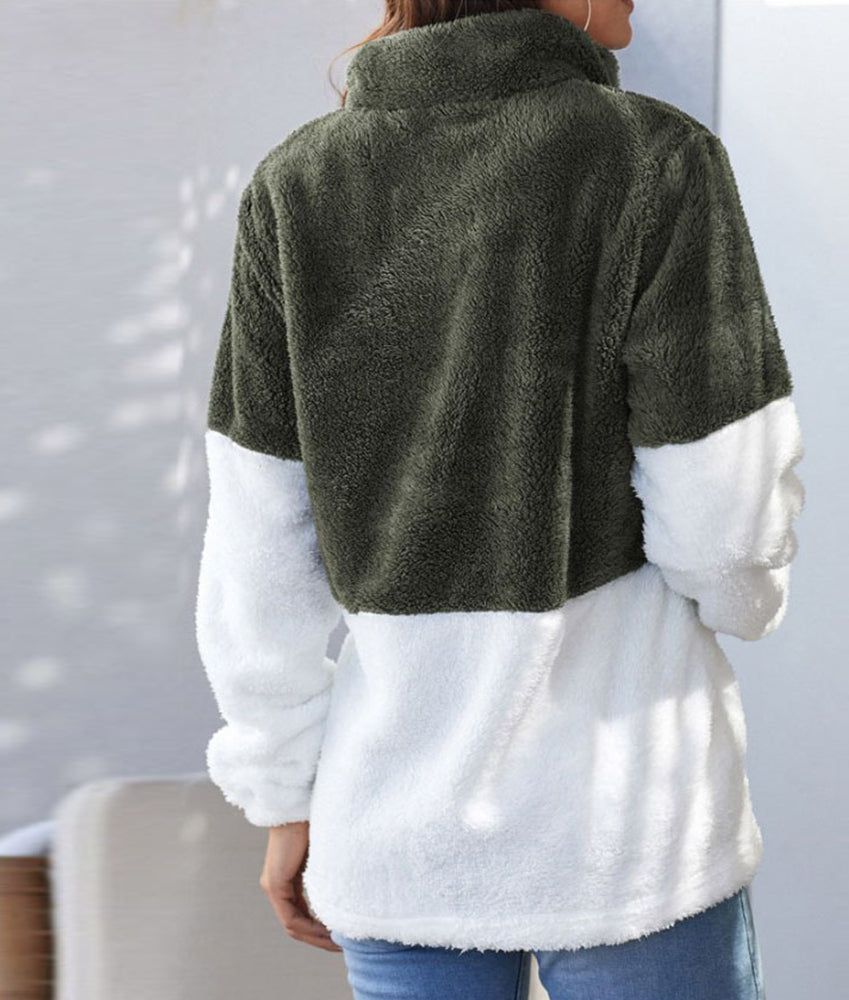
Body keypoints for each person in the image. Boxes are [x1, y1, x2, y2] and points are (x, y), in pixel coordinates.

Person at [194, 0, 805, 997]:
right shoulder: (654, 158)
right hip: (623, 824)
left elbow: (258, 540)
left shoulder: (294, 184)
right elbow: (725, 531)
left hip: (395, 824)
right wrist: (749, 600)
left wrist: (283, 792)